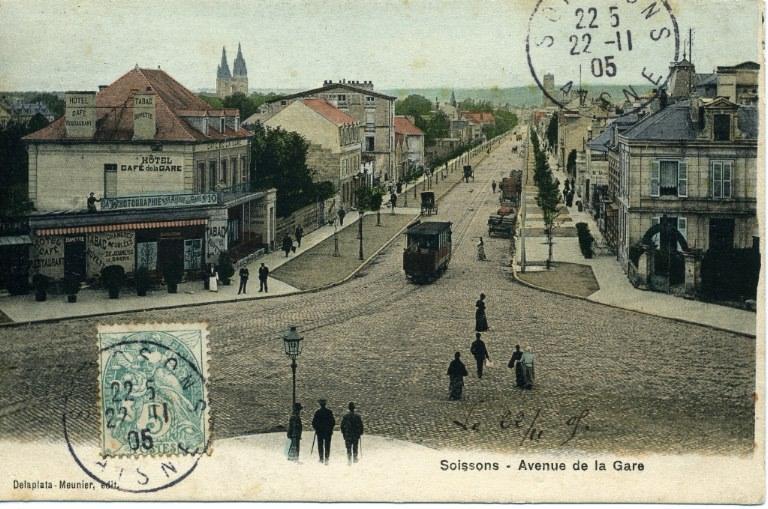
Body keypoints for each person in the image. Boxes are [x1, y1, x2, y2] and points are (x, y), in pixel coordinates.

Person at [312, 399, 336, 465]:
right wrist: (330, 429)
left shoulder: (317, 412)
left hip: (320, 432)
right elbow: (333, 422)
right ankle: (327, 459)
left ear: (320, 404)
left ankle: (321, 458)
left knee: (320, 445)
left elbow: (314, 423)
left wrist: (316, 428)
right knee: (327, 445)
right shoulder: (329, 412)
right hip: (327, 432)